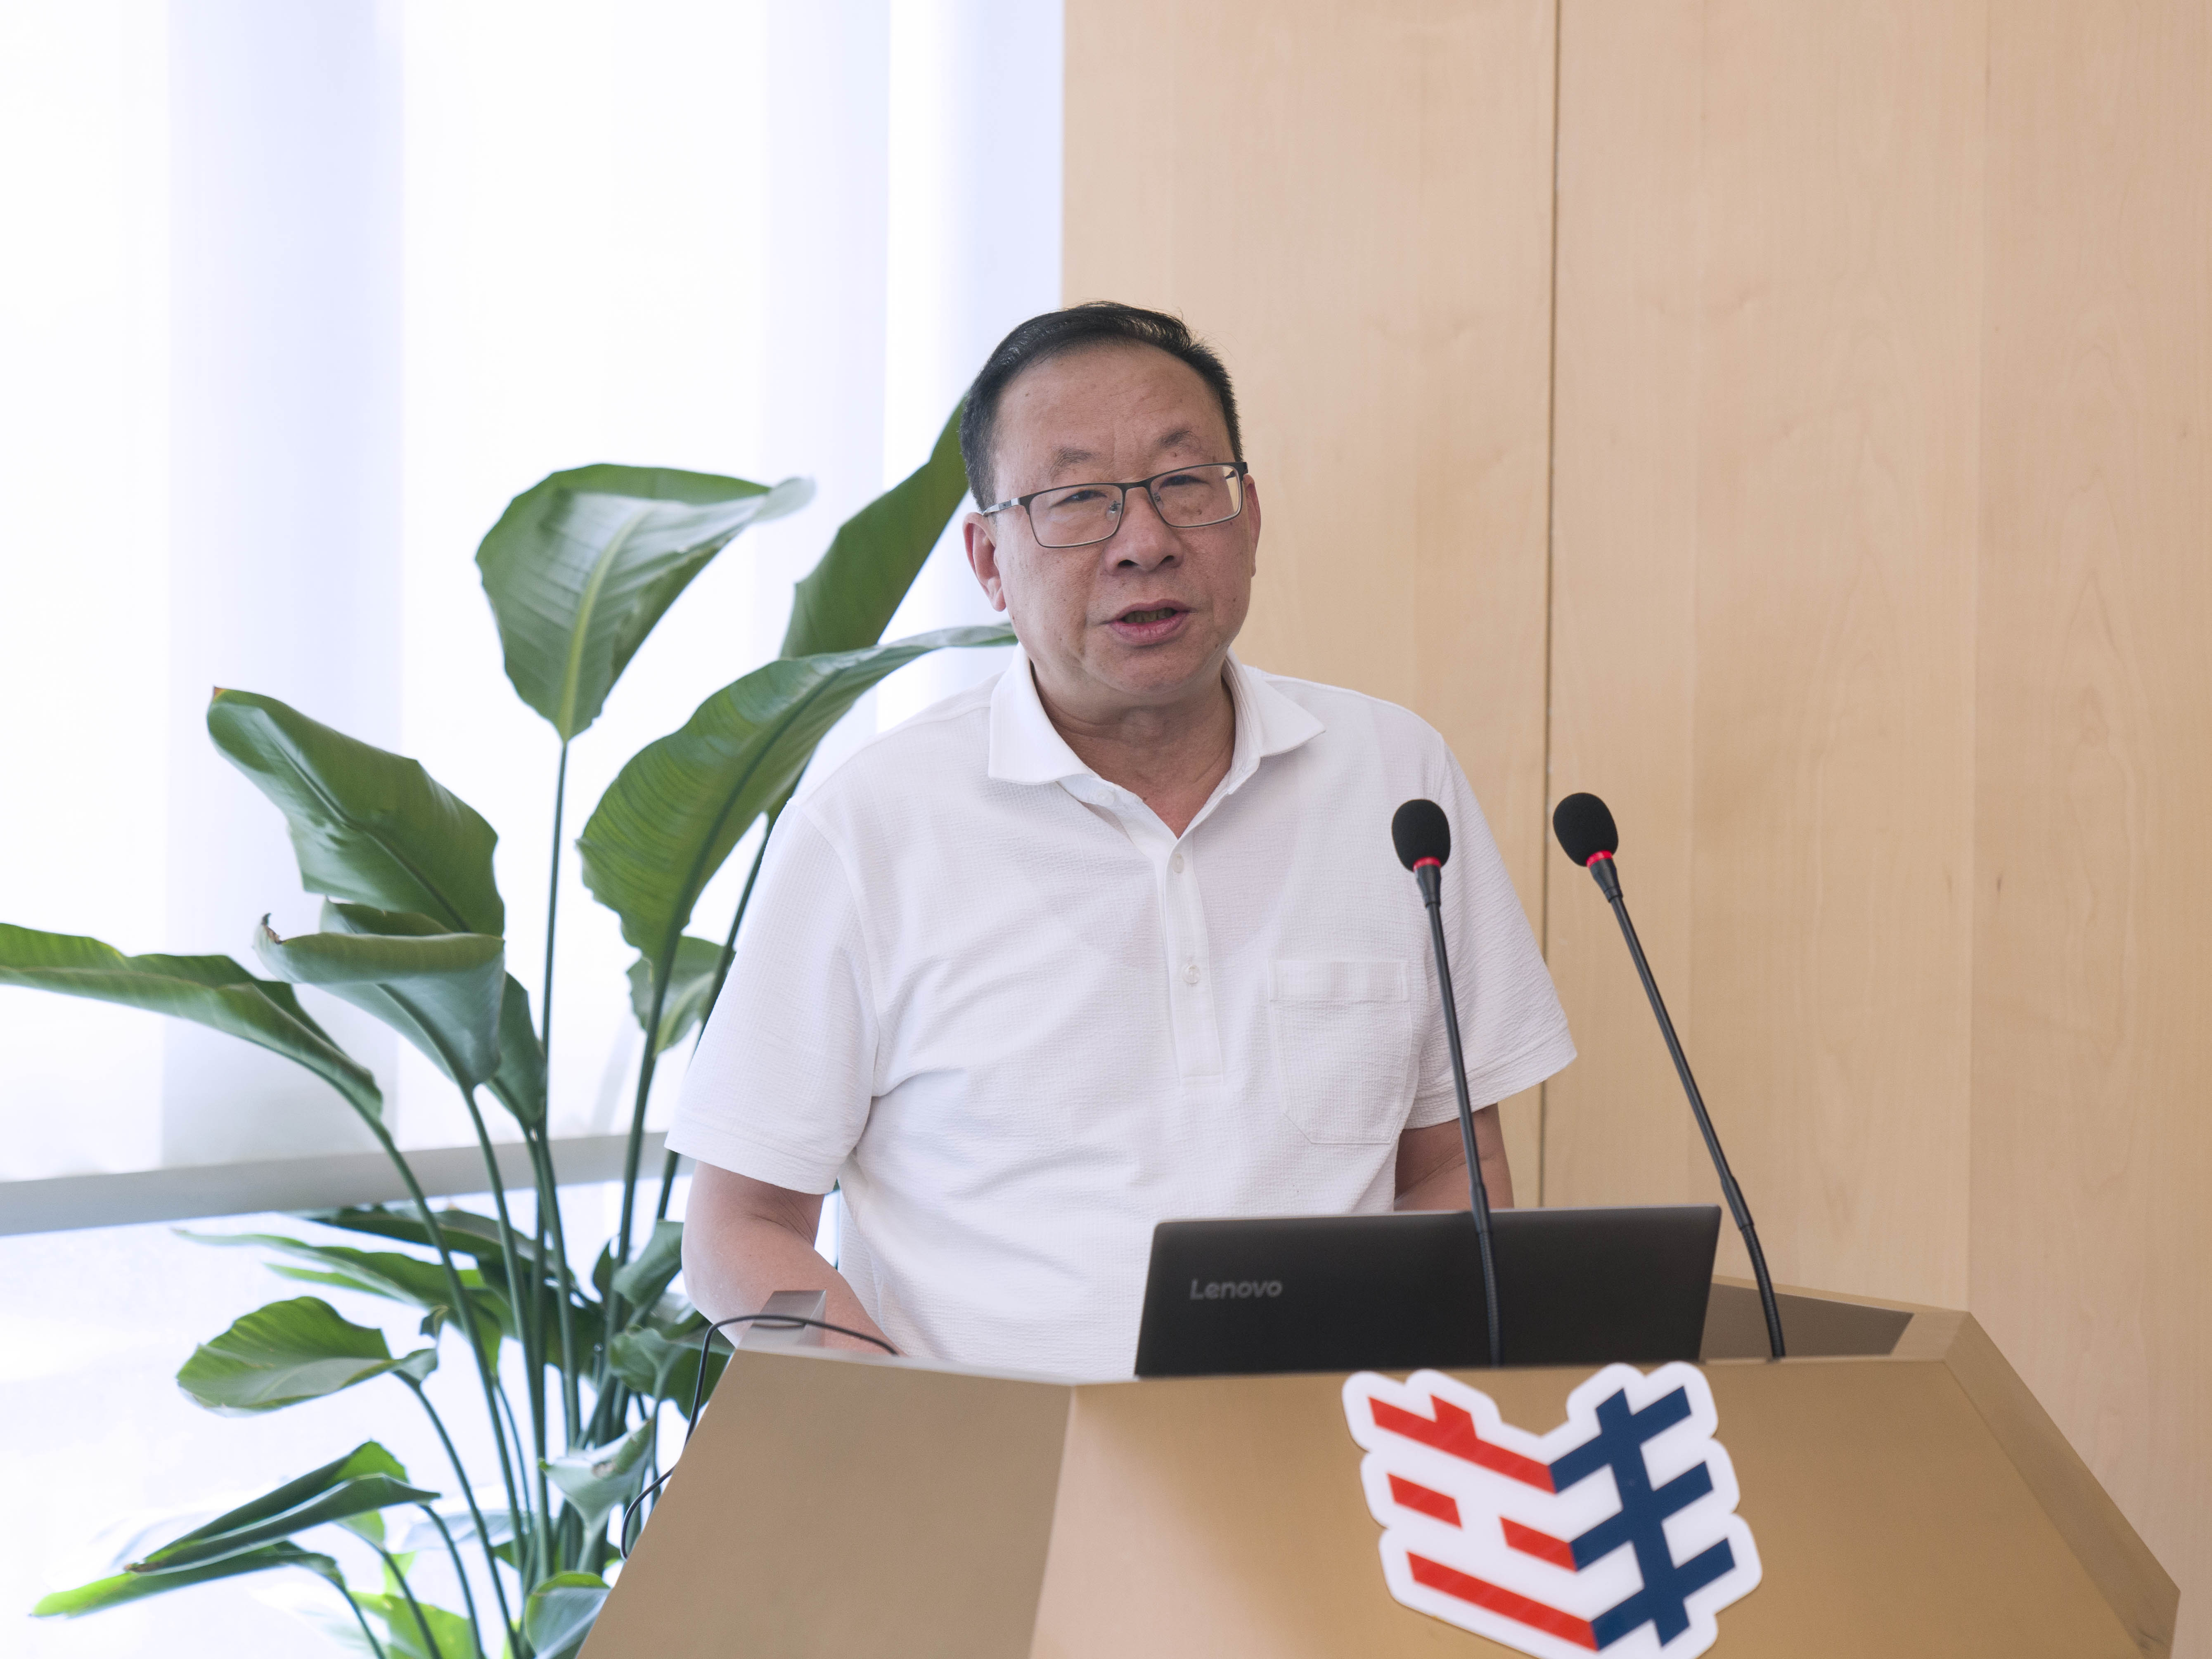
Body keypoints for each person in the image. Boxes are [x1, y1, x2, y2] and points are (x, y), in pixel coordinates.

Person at [672, 302, 1574, 1379]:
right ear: (989, 560)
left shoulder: (1395, 780)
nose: (1145, 543)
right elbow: (737, 1229)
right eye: (1078, 500)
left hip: (1317, 1454)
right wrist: (894, 1420)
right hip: (995, 1470)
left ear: (1249, 518)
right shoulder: (872, 827)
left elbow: (1451, 1171)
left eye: (1184, 483)